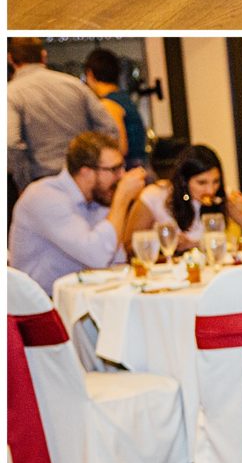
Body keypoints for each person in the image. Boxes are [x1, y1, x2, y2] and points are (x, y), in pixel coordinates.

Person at [9, 129, 146, 292]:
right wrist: (122, 199)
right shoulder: (45, 197)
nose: (122, 176)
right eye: (114, 169)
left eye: (122, 167)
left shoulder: (98, 199)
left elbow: (116, 261)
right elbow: (98, 256)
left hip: (81, 300)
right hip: (42, 308)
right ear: (86, 172)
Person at [8, 39, 119, 194]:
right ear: (44, 56)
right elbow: (110, 128)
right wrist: (98, 168)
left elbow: (11, 144)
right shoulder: (74, 84)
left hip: (43, 181)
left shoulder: (11, 93)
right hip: (83, 176)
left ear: (10, 58)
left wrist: (24, 183)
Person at [129, 141, 242, 248]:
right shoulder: (155, 196)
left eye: (216, 181)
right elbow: (129, 245)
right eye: (201, 183)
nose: (210, 190)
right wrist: (163, 242)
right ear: (184, 181)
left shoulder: (223, 197)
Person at [82, 46, 148, 167]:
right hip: (141, 166)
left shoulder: (109, 104)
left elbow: (121, 148)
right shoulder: (123, 98)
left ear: (90, 74)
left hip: (130, 169)